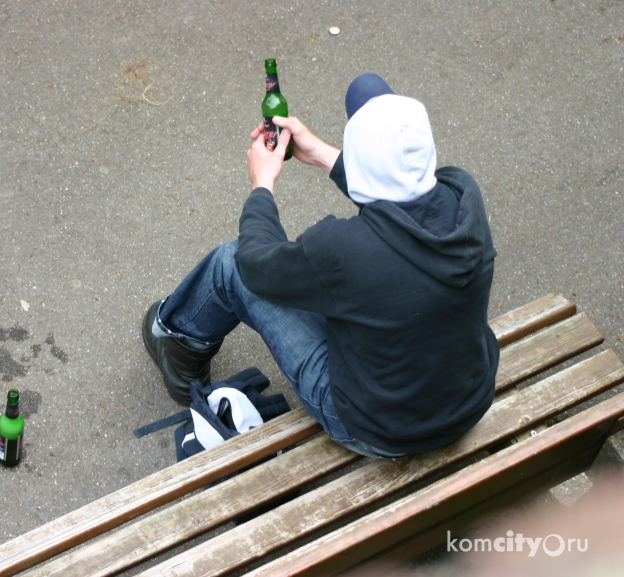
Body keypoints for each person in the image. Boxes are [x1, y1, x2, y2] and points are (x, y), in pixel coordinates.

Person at [142, 73, 499, 459]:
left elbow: (255, 264)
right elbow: (403, 201)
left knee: (230, 264)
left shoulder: (343, 252)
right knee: (367, 86)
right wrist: (321, 154)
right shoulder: (464, 199)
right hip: (467, 400)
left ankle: (180, 349)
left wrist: (262, 182)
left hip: (375, 428)